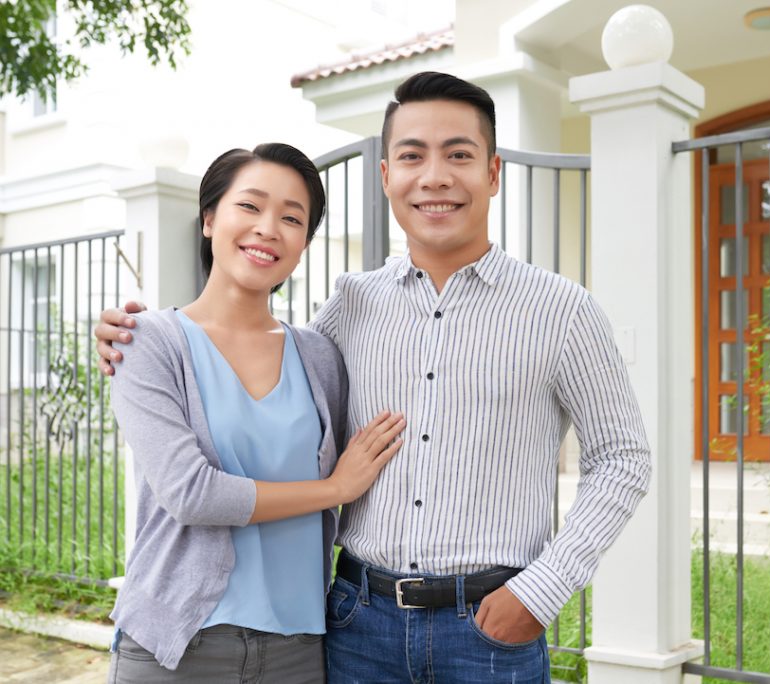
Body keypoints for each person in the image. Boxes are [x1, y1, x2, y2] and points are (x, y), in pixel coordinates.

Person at [96, 72, 651, 684]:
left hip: (490, 630)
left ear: (492, 173)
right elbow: (247, 346)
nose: (434, 176)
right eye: (412, 156)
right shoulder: (351, 306)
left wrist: (543, 591)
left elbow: (622, 457)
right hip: (356, 625)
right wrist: (139, 339)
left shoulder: (562, 310)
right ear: (387, 176)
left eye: (458, 155)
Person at [104, 143, 405, 683]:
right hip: (178, 646)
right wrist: (335, 489)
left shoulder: (319, 356)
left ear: (304, 243)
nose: (269, 228)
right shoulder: (145, 341)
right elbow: (191, 493)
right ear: (209, 218)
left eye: (292, 218)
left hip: (299, 649)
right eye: (250, 206)